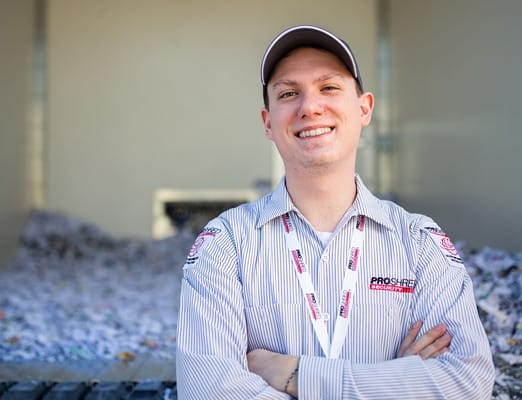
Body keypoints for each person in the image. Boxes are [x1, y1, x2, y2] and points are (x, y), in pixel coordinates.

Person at [176, 25, 495, 399]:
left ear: (364, 109)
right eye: (289, 93)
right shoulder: (225, 243)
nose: (310, 107)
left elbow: (467, 384)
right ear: (268, 123)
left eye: (329, 87)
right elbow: (207, 391)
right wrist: (394, 381)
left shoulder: (420, 243)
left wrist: (295, 374)